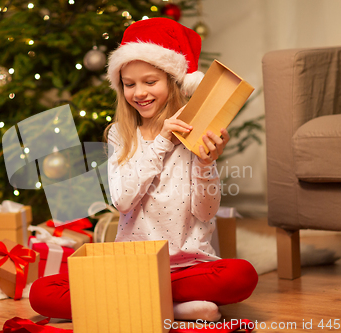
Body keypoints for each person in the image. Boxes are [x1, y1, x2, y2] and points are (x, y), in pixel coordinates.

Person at [29, 17, 258, 322]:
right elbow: (123, 200)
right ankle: (173, 309)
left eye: (150, 82)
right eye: (129, 84)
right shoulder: (119, 135)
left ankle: (142, 304)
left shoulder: (196, 134)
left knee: (240, 275)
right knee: (42, 292)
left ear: (174, 82)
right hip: (132, 265)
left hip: (187, 267)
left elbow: (204, 212)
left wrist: (206, 163)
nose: (139, 93)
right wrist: (161, 140)